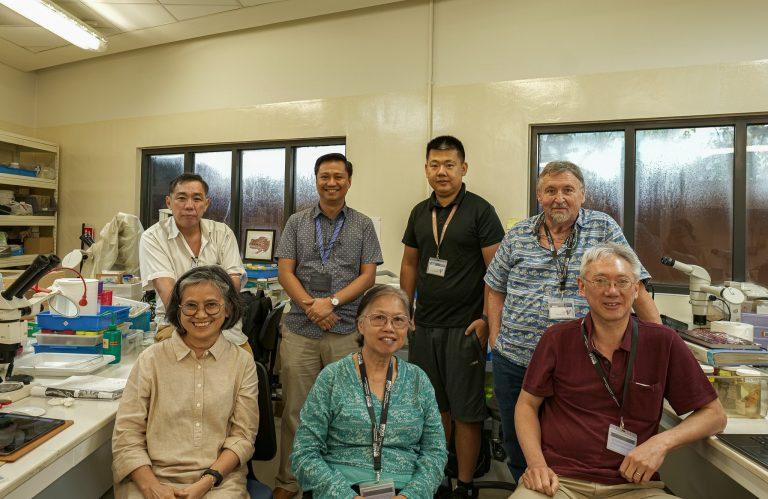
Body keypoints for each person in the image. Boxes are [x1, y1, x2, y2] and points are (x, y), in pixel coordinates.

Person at [484, 161, 662, 481]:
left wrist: (662, 344)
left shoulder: (603, 229)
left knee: (568, 444)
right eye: (550, 190)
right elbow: (494, 286)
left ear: (582, 195)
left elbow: (637, 286)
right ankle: (529, 488)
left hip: (577, 363)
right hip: (516, 358)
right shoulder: (518, 235)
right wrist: (496, 339)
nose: (559, 198)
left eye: (568, 190)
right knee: (517, 442)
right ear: (539, 195)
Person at [511, 243, 726, 498]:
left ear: (636, 289)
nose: (612, 291)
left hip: (633, 487)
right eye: (600, 281)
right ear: (582, 287)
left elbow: (715, 416)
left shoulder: (663, 342)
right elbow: (526, 405)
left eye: (622, 282)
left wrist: (661, 443)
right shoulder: (557, 339)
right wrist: (536, 464)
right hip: (559, 482)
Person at [400, 135, 504, 498]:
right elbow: (410, 263)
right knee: (433, 408)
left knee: (466, 411)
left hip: (464, 329)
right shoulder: (419, 212)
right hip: (424, 327)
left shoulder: (481, 211)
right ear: (426, 168)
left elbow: (497, 272)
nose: (441, 172)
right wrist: (403, 310)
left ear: (463, 168)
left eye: (449, 165)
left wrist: (487, 319)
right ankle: (435, 477)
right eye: (434, 165)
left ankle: (464, 484)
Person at [274, 152, 383, 499]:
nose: (331, 182)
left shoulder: (363, 224)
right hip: (300, 330)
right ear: (316, 180)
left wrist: (331, 303)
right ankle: (289, 481)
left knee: (345, 411)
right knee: (296, 410)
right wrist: (312, 307)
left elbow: (368, 275)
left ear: (349, 181)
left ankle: (335, 482)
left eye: (338, 176)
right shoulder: (296, 222)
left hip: (346, 328)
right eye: (325, 176)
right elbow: (285, 271)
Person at [112, 266, 259, 499]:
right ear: (178, 310)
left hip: (217, 480)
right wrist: (151, 485)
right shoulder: (151, 359)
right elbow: (127, 434)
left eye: (211, 305)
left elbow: (243, 437)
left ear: (228, 309)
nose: (200, 315)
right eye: (191, 305)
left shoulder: (242, 363)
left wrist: (205, 483)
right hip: (152, 477)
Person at [291, 285, 447, 498]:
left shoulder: (418, 380)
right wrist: (346, 496)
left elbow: (435, 453)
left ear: (409, 326)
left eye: (399, 320)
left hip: (404, 490)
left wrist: (411, 495)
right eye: (379, 318)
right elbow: (304, 453)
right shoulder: (333, 377)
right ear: (360, 325)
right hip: (342, 488)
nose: (389, 327)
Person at [140, 173, 249, 349]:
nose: (189, 206)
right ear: (169, 202)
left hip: (225, 330)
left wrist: (210, 321)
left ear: (206, 204)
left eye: (197, 199)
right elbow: (169, 295)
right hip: (175, 327)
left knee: (243, 369)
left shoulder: (223, 234)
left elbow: (233, 285)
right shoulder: (153, 238)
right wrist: (201, 318)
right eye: (181, 198)